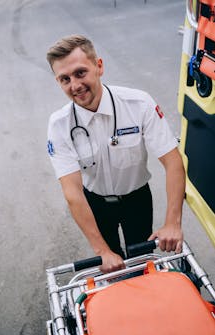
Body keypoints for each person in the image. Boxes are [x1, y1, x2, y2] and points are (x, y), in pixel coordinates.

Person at [46, 34, 185, 273]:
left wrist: (173, 223)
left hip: (136, 200)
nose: (75, 85)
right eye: (65, 79)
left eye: (80, 73)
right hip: (95, 204)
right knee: (112, 266)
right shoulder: (59, 125)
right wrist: (102, 251)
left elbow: (172, 161)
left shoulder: (138, 104)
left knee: (141, 263)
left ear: (99, 66)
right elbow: (72, 192)